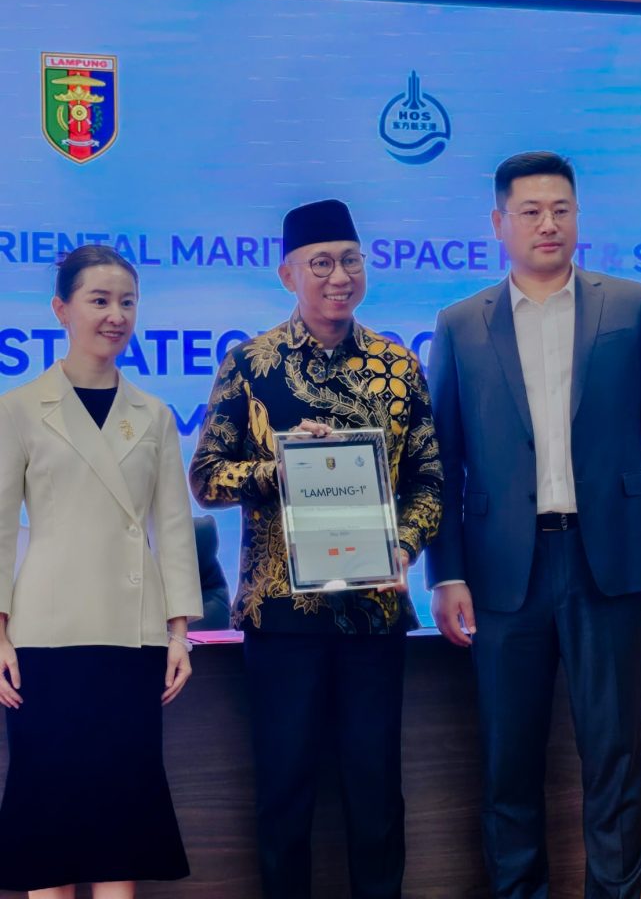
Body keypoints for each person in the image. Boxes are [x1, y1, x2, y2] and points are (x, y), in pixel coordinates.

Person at [426, 151, 641, 899]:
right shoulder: (460, 324)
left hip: (611, 562)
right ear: (499, 223)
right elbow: (444, 458)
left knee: (615, 758)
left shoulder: (631, 305)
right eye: (531, 211)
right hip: (503, 571)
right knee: (509, 763)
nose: (548, 223)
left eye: (561, 209)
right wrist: (446, 572)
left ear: (577, 216)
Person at [189, 199, 443, 899]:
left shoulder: (398, 364)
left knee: (376, 795)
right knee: (284, 795)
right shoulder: (250, 364)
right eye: (321, 263)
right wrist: (280, 468)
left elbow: (429, 480)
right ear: (288, 274)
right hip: (282, 618)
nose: (339, 276)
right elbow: (206, 477)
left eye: (350, 261)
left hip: (373, 614)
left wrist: (403, 549)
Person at [0, 245, 203, 898]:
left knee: (121, 824)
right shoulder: (18, 408)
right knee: (48, 824)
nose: (116, 315)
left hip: (131, 636)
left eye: (127, 302)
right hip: (45, 634)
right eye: (99, 300)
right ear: (61, 309)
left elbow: (173, 527)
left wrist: (179, 632)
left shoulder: (155, 414)